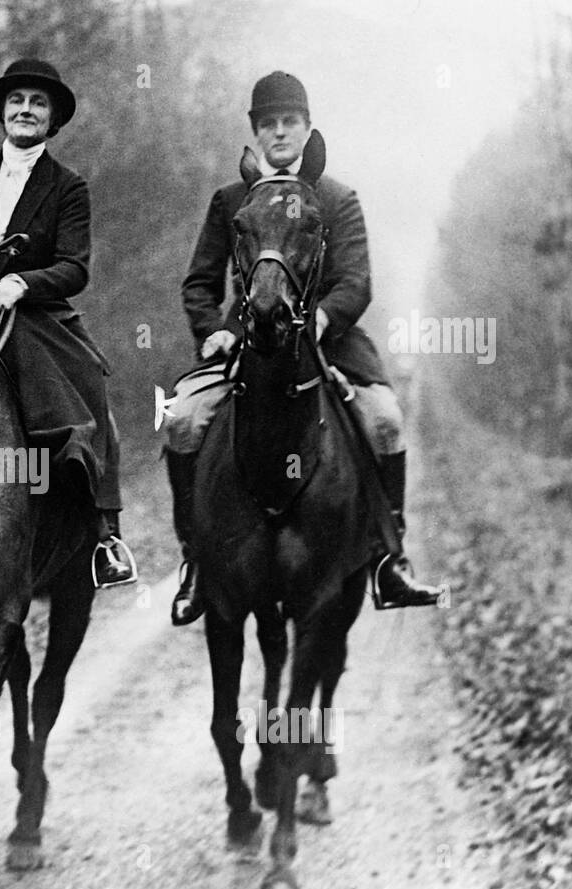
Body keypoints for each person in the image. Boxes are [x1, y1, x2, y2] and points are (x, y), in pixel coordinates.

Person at [163, 70, 443, 623]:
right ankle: (197, 559)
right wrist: (211, 329)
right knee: (182, 420)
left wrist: (320, 318)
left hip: (328, 341)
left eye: (289, 121)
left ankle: (390, 557)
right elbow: (200, 282)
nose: (280, 132)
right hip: (245, 340)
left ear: (307, 127)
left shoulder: (337, 198)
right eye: (268, 124)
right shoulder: (231, 199)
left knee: (385, 419)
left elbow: (356, 281)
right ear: (255, 133)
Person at [0, 58, 136, 588]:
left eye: (38, 103)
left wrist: (19, 285)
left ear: (53, 118)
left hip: (34, 318)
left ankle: (103, 532)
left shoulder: (67, 185)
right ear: (2, 111)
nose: (26, 110)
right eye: (17, 100)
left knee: (89, 387)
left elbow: (74, 266)